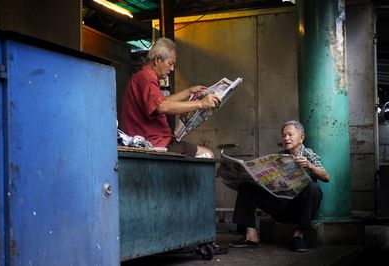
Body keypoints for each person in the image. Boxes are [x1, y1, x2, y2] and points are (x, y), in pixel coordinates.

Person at [228, 120, 330, 252]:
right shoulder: (280, 156)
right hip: (280, 206)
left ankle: (298, 236)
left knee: (313, 188)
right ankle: (251, 235)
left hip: (298, 210)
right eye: (283, 135)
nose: (286, 138)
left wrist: (310, 165)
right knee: (246, 187)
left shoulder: (309, 155)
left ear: (301, 137)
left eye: (290, 134)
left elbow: (326, 177)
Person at [119, 37, 220, 158]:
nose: (172, 69)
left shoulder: (143, 77)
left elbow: (161, 101)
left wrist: (189, 91)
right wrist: (201, 104)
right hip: (155, 143)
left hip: (156, 140)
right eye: (170, 63)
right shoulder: (146, 79)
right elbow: (162, 106)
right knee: (208, 154)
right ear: (157, 60)